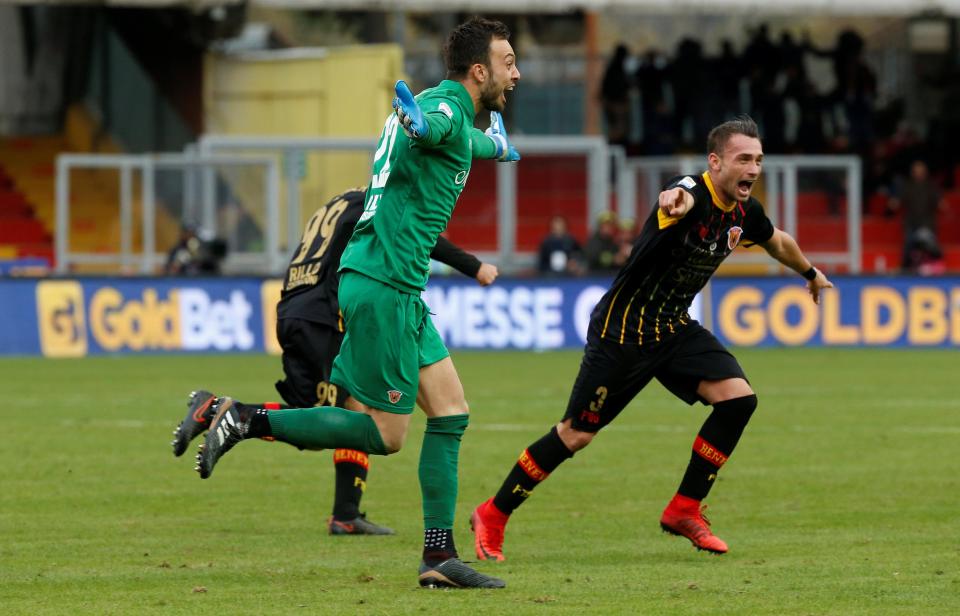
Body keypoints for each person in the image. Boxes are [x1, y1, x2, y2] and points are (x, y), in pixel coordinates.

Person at [192, 17, 520, 589]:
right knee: (384, 435)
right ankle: (245, 420)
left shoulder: (456, 113)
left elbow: (463, 138)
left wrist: (496, 144)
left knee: (451, 411)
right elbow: (436, 130)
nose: (516, 73)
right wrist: (419, 127)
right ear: (478, 71)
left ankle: (439, 556)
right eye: (508, 62)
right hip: (385, 285)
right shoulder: (440, 108)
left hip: (397, 286)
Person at [470, 116, 833, 562]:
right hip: (621, 332)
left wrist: (810, 273)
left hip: (672, 327)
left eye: (758, 160)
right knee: (576, 435)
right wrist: (673, 199)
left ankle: (685, 508)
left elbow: (777, 241)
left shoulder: (744, 211)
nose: (753, 169)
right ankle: (492, 512)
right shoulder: (690, 193)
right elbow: (675, 195)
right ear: (715, 162)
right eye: (743, 159)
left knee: (738, 400)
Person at [171, 186, 498, 535]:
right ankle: (228, 412)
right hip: (323, 316)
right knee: (334, 421)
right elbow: (420, 235)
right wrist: (474, 266)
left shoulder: (338, 202)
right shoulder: (376, 201)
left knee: (348, 408)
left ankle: (345, 512)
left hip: (293, 309)